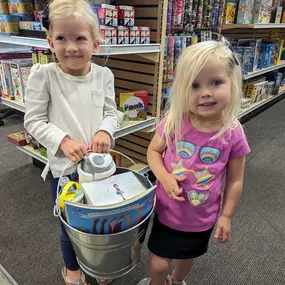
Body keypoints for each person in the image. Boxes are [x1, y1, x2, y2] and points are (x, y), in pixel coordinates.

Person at [138, 39, 250, 285]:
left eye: (216, 82)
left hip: (202, 217)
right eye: (194, 85)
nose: (206, 92)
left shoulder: (232, 132)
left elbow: (236, 179)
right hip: (167, 211)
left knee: (187, 257)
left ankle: (177, 280)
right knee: (157, 263)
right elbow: (153, 152)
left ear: (233, 82)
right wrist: (165, 178)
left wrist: (226, 215)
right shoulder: (174, 121)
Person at [24, 0, 118, 284]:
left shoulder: (104, 75)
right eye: (62, 38)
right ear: (51, 42)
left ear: (96, 44)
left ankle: (101, 264)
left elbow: (113, 113)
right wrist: (63, 141)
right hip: (65, 172)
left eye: (80, 38)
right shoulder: (44, 75)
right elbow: (33, 120)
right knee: (69, 226)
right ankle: (72, 269)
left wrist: (105, 131)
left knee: (101, 221)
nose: (71, 47)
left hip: (100, 169)